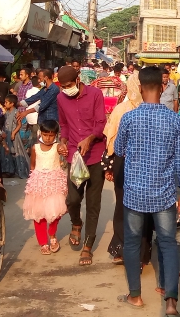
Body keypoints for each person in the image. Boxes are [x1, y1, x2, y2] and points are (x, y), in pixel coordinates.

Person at [114, 67, 180, 316]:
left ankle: (135, 295)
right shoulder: (175, 120)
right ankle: (171, 302)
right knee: (168, 243)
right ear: (162, 87)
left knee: (133, 243)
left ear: (139, 87)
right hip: (165, 192)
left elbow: (118, 150)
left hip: (135, 192)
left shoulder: (128, 118)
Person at [56, 66, 107, 265]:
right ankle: (76, 222)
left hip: (95, 155)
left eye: (68, 85)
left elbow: (101, 122)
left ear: (78, 80)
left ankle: (88, 245)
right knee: (73, 199)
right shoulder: (61, 98)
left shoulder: (95, 94)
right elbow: (64, 124)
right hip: (75, 157)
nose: (66, 89)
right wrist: (62, 141)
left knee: (93, 203)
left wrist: (90, 138)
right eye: (63, 86)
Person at [104, 73, 146, 264]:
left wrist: (110, 166)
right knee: (142, 207)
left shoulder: (121, 110)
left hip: (123, 162)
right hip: (145, 164)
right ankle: (141, 252)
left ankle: (122, 248)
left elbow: (111, 140)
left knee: (123, 205)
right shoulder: (153, 109)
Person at [23, 120, 68, 255]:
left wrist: (63, 148)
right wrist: (32, 181)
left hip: (54, 183)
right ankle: (43, 242)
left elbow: (64, 152)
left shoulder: (57, 147)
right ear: (40, 133)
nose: (48, 138)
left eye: (51, 135)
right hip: (38, 184)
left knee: (55, 212)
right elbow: (32, 166)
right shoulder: (35, 148)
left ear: (56, 135)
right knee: (38, 214)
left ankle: (52, 235)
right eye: (45, 135)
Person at [3, 94, 30, 179]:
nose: (5, 104)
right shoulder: (6, 112)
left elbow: (19, 124)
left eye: (6, 102)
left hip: (14, 135)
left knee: (17, 152)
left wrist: (13, 133)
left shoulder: (16, 112)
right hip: (7, 135)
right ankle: (10, 170)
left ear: (12, 104)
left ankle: (21, 171)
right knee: (8, 153)